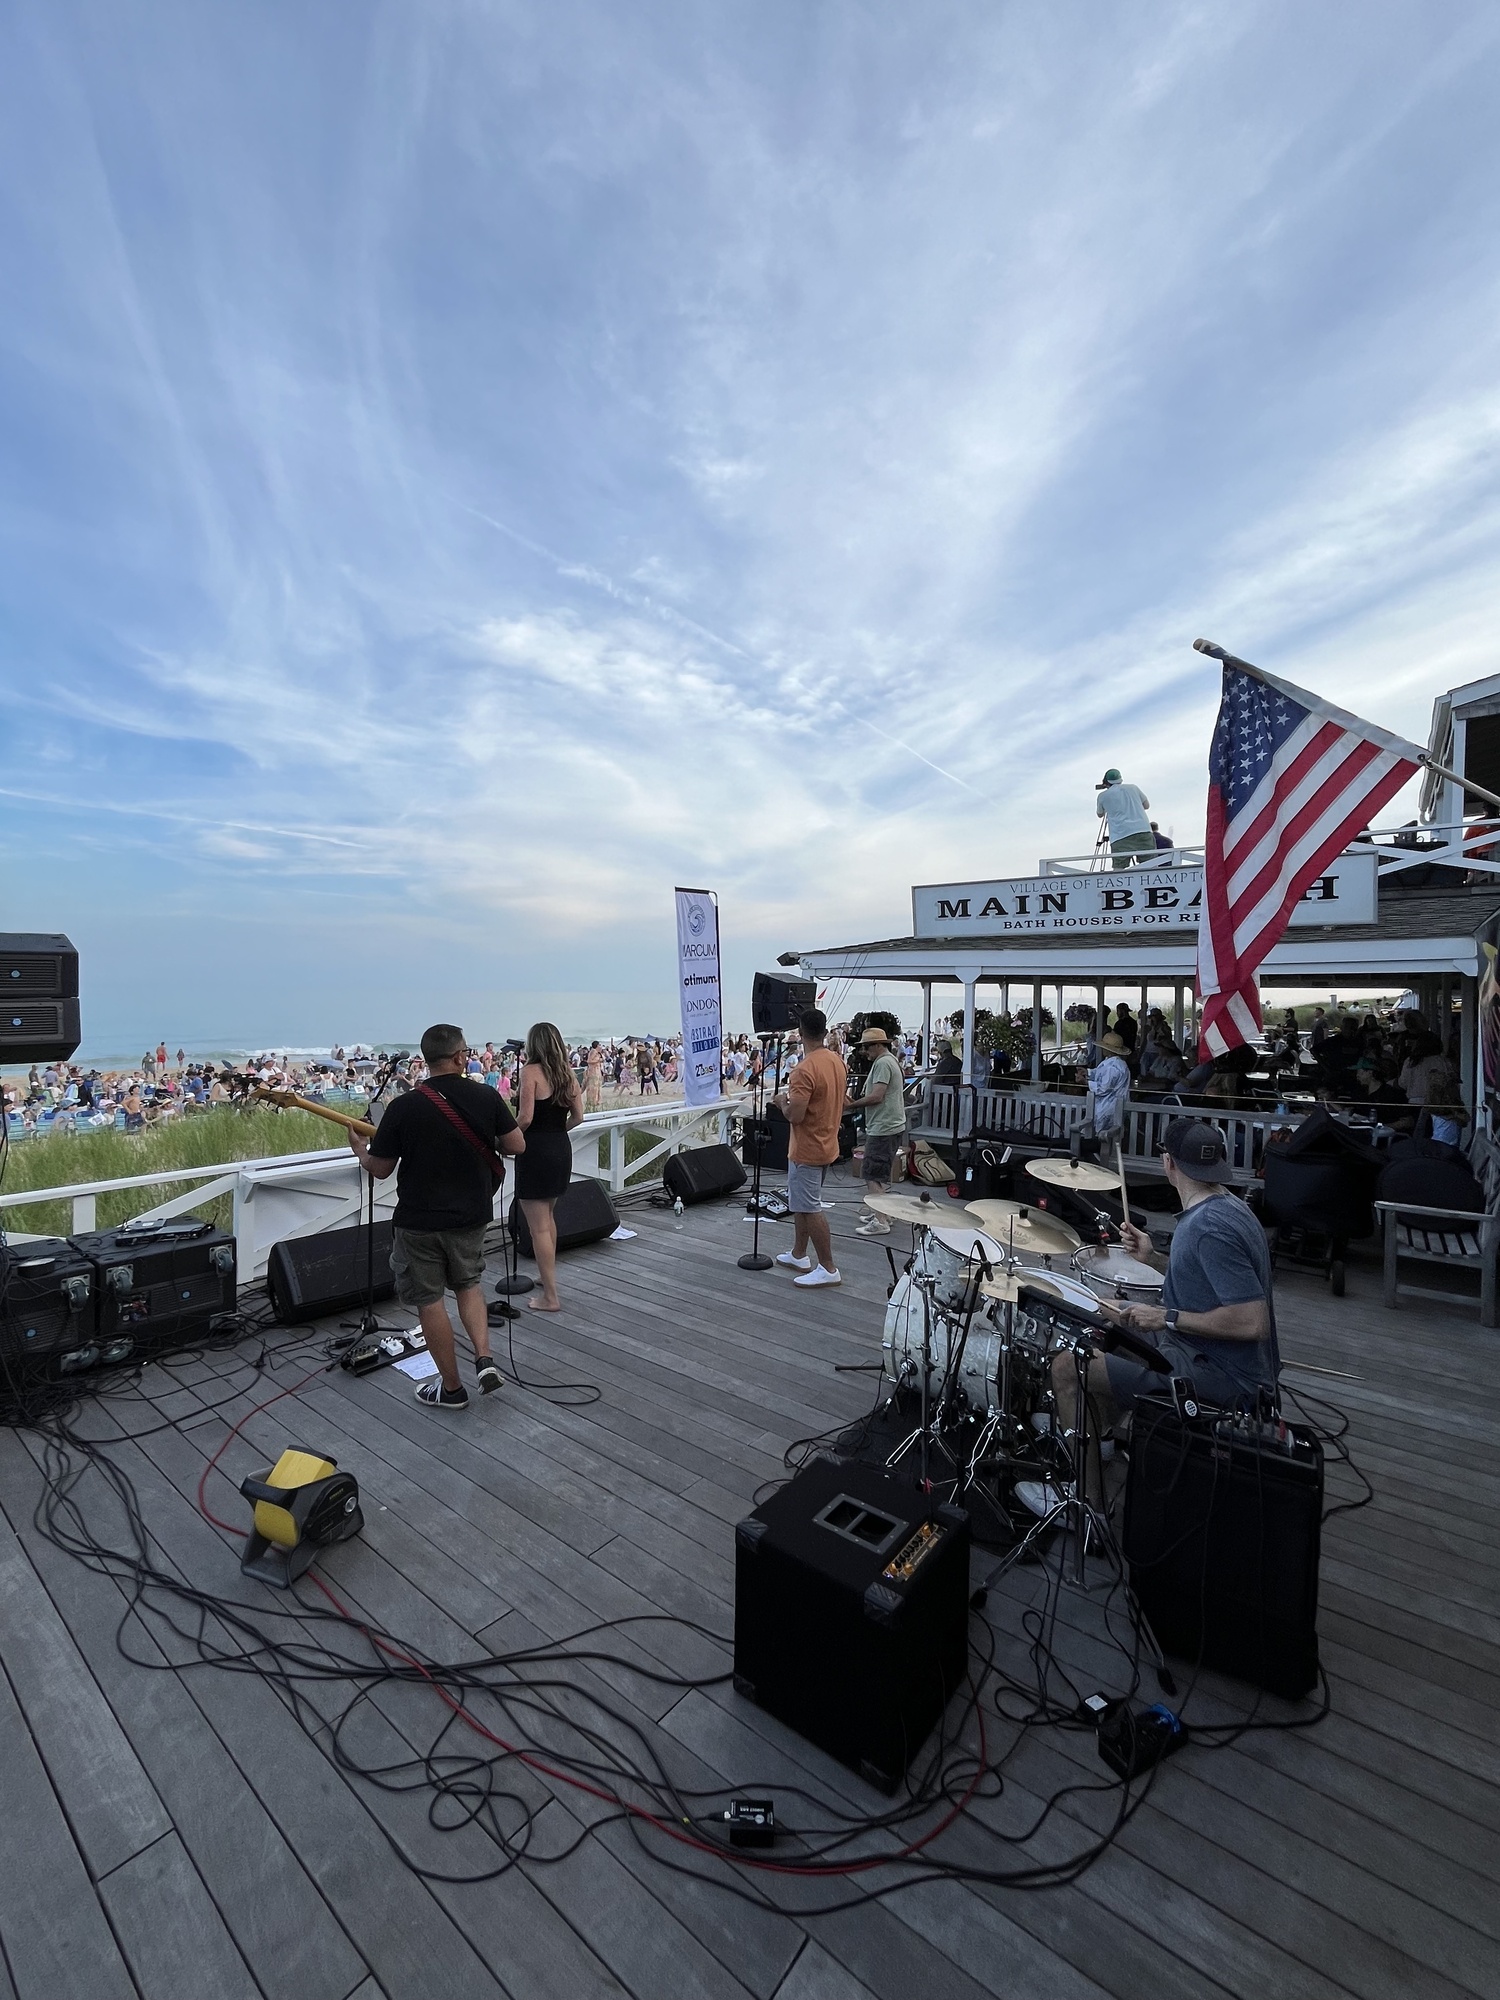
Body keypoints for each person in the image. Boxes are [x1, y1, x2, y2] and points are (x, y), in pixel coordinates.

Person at [1016, 1120, 1279, 1516]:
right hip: (1207, 1354)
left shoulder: (1208, 1228)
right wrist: (1153, 1258)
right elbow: (1206, 1281)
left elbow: (1251, 1322)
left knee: (1068, 1368)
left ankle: (1086, 1504)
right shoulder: (1227, 1206)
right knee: (1110, 1331)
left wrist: (1164, 1318)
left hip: (1226, 1380)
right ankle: (1098, 1433)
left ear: (1168, 1163)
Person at [349, 1023, 524, 1410]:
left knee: (429, 1301)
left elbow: (380, 1169)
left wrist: (360, 1150)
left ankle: (451, 1389)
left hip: (419, 1221)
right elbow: (517, 1144)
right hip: (471, 1215)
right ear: (460, 1057)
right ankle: (484, 1359)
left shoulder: (403, 1106)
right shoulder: (485, 1096)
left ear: (427, 1060)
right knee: (469, 1285)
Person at [771, 1008, 847, 1288]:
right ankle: (799, 1254)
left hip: (807, 1148)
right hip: (828, 1143)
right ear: (825, 1033)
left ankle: (828, 1268)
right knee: (801, 1203)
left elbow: (795, 1115)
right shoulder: (837, 1061)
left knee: (810, 1206)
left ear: (800, 1034)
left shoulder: (803, 1070)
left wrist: (781, 1102)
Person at [513, 1021, 586, 1313]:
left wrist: (504, 1138)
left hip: (535, 1150)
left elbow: (526, 1118)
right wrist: (558, 1130)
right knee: (548, 1217)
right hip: (559, 1147)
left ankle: (551, 1298)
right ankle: (547, 1278)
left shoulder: (530, 1072)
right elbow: (578, 1117)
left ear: (534, 1045)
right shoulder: (568, 1075)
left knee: (538, 1227)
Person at [848, 1027, 908, 1236]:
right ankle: (884, 1213)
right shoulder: (890, 1060)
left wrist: (852, 1105)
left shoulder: (882, 1063)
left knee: (872, 1173)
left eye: (866, 1047)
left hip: (883, 1127)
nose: (864, 1051)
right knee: (881, 1174)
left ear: (877, 1045)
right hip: (891, 1125)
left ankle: (880, 1221)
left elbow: (877, 1096)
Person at [1096, 768, 1154, 869]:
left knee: (1119, 869)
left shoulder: (1102, 796)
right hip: (1143, 831)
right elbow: (1146, 806)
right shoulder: (1133, 788)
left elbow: (1100, 814)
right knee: (1150, 865)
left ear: (1105, 782)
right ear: (1120, 779)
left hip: (1120, 835)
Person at [1086, 1032, 1131, 1147]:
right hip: (1112, 1105)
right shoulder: (1116, 1063)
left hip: (1109, 1106)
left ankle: (1102, 1157)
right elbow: (1099, 1072)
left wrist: (1086, 1082)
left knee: (1103, 1136)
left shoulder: (1113, 1066)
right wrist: (1087, 1072)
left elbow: (1103, 1088)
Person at [584, 1041, 605, 1113]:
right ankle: (593, 1101)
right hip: (593, 1071)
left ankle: (597, 1100)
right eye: (599, 1045)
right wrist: (599, 1060)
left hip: (597, 1070)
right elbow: (589, 1060)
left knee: (597, 1086)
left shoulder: (597, 1052)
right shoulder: (593, 1051)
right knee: (593, 1087)